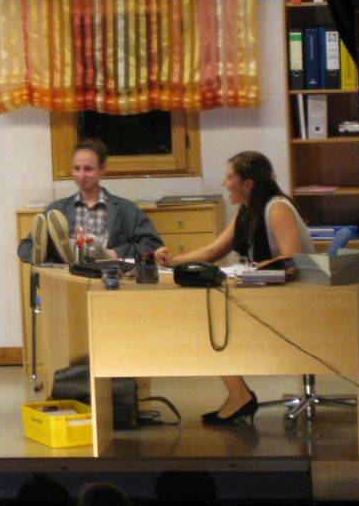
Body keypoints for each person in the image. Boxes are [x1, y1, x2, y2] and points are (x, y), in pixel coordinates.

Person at [154, 150, 313, 424]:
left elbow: (292, 259)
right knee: (209, 316)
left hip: (296, 302)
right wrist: (173, 262)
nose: (224, 183)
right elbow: (213, 251)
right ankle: (239, 394)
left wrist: (251, 272)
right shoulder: (247, 211)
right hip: (266, 295)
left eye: (229, 177)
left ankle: (240, 397)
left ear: (248, 184)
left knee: (213, 321)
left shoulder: (276, 208)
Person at [17, 139, 162, 264]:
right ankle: (64, 252)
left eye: (88, 169)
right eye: (77, 168)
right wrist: (48, 253)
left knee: (99, 254)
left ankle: (80, 252)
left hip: (109, 273)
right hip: (68, 277)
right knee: (41, 248)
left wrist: (113, 254)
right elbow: (24, 249)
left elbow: (153, 244)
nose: (81, 175)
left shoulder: (126, 209)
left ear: (102, 169)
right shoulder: (57, 210)